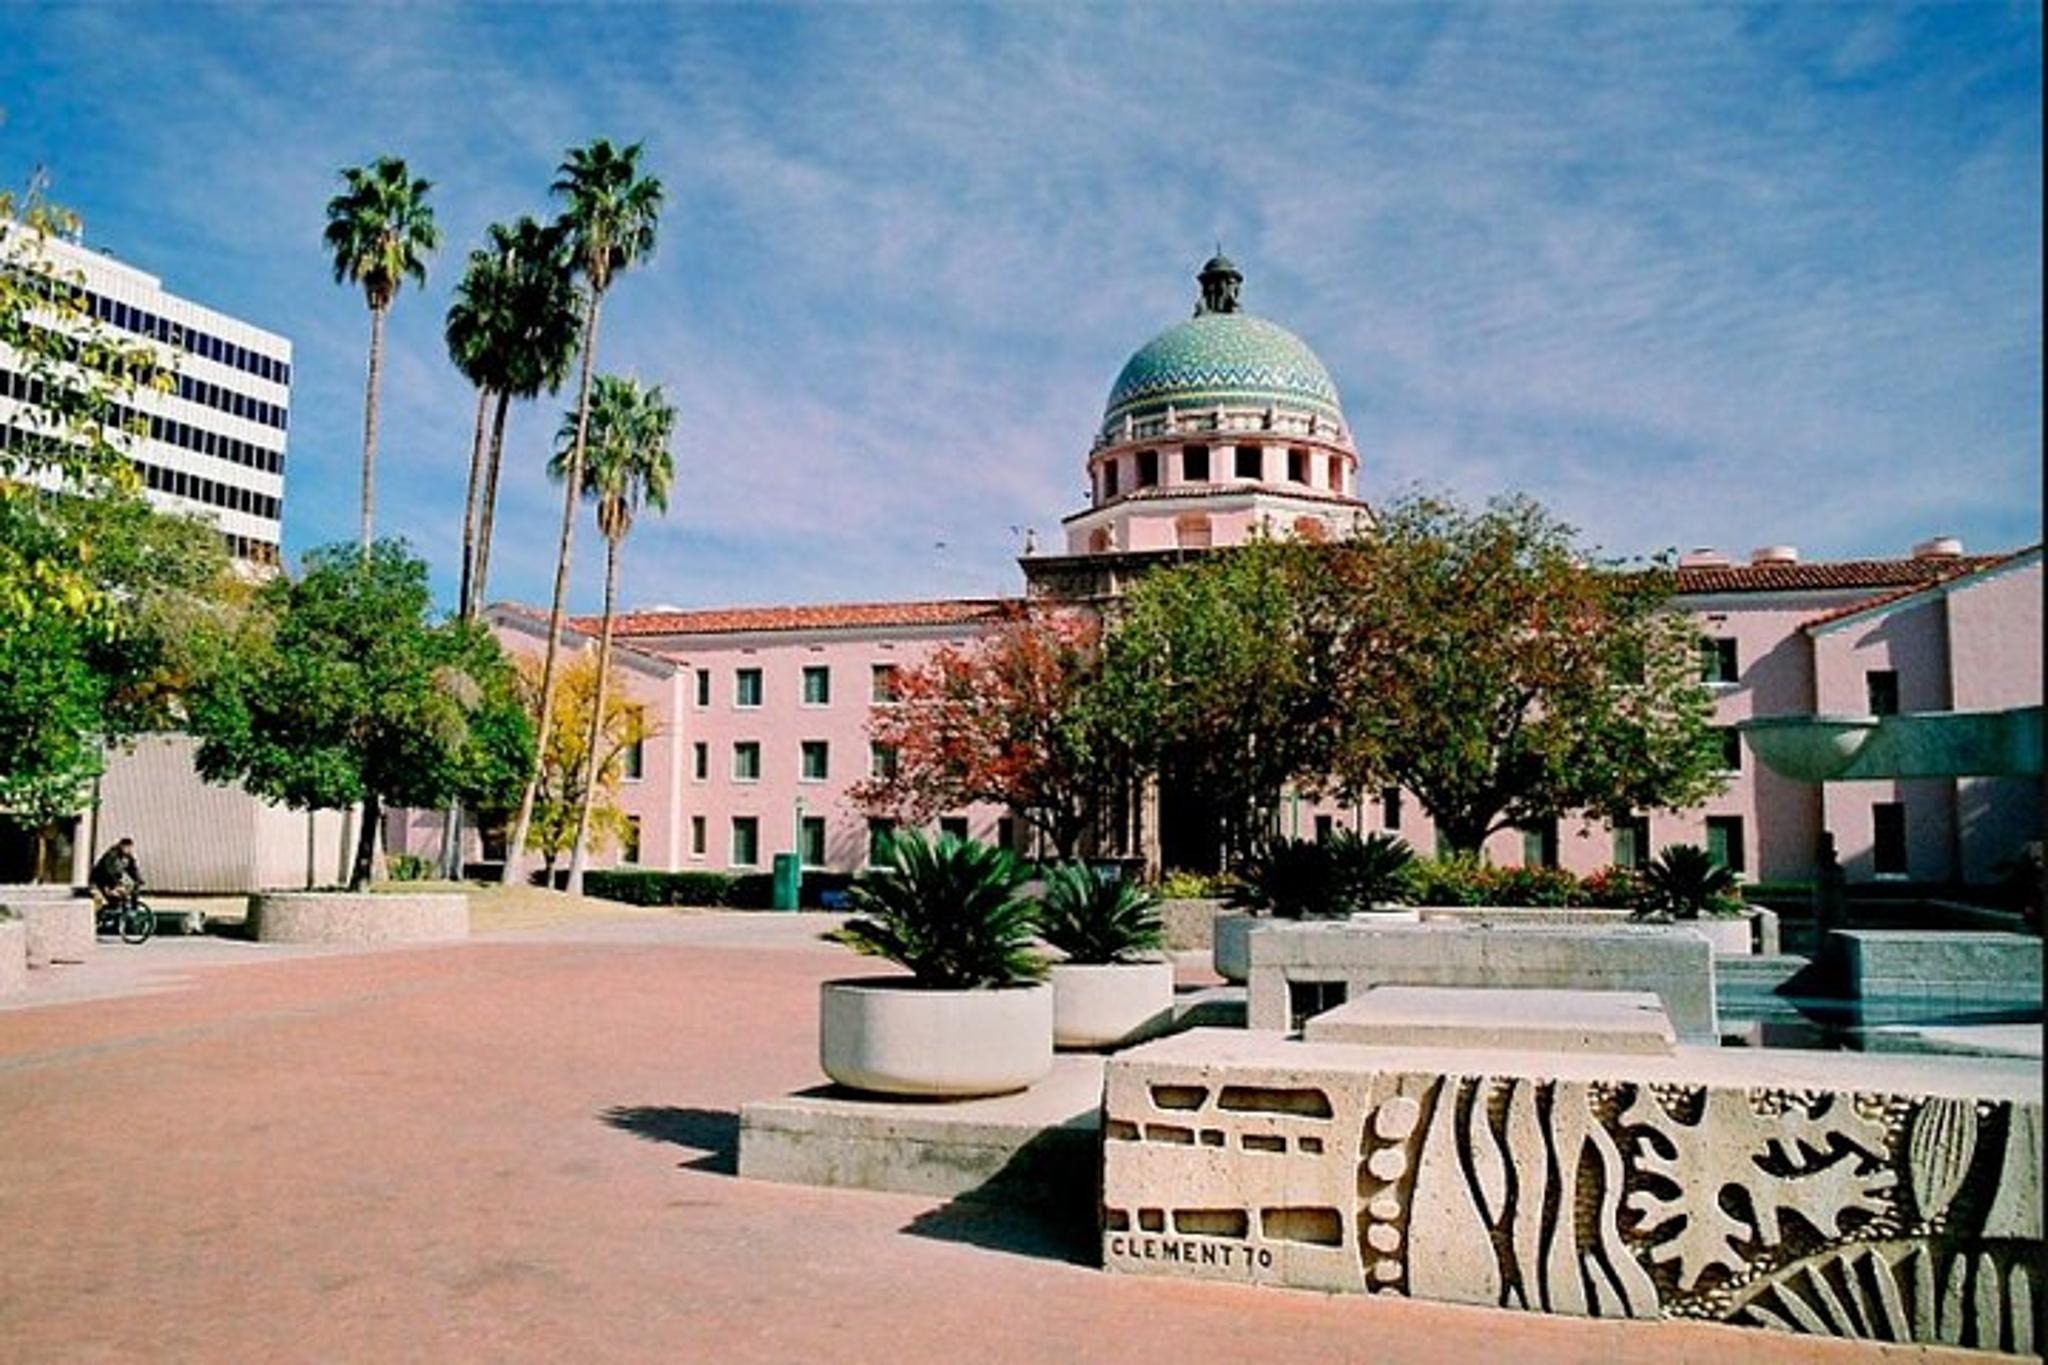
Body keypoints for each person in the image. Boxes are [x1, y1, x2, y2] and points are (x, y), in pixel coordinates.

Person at [90, 836, 142, 908]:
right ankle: (106, 913)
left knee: (128, 893)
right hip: (102, 880)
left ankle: (129, 910)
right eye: (126, 847)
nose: (128, 850)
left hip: (114, 879)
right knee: (115, 897)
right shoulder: (112, 855)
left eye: (130, 848)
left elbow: (133, 870)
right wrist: (115, 884)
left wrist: (138, 880)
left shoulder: (128, 857)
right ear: (121, 846)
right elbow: (108, 870)